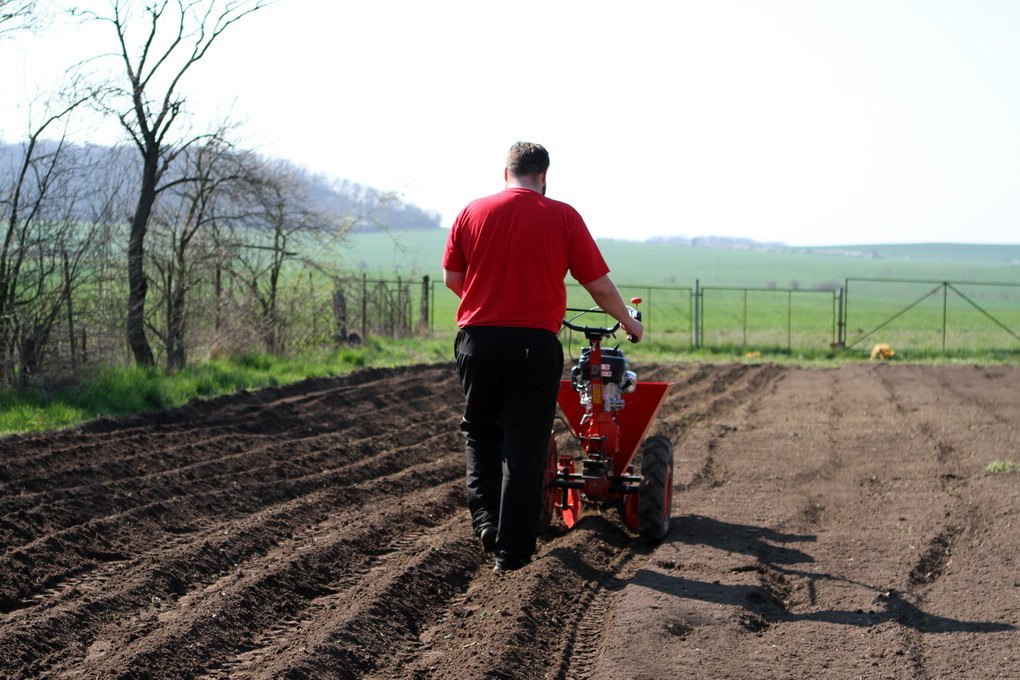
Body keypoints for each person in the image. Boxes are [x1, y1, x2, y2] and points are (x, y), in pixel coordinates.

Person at [442, 141, 643, 573]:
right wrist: (629, 321)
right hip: (534, 345)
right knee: (525, 444)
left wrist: (490, 308)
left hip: (477, 340)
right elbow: (599, 287)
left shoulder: (470, 212)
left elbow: (452, 278)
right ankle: (511, 553)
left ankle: (486, 523)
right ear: (544, 176)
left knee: (481, 431)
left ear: (506, 173)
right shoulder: (562, 216)